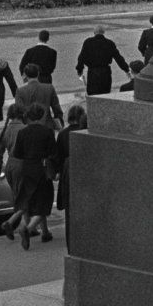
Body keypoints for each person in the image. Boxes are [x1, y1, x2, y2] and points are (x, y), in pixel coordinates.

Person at [3, 103, 58, 249]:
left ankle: (11, 220)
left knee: (26, 198)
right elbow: (53, 153)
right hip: (41, 168)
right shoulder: (47, 132)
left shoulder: (23, 133)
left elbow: (17, 153)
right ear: (41, 116)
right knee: (44, 202)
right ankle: (27, 228)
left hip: (27, 168)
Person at [53, 103, 87, 249]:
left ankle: (71, 245)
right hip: (81, 173)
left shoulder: (62, 134)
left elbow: (58, 159)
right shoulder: (83, 132)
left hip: (67, 175)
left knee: (69, 212)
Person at [75, 25, 129, 96]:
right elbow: (118, 58)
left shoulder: (88, 42)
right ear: (103, 32)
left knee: (93, 95)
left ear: (94, 32)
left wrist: (79, 70)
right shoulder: (109, 43)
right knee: (105, 94)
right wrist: (126, 69)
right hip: (105, 72)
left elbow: (81, 58)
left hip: (93, 72)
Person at [14, 62, 63, 128]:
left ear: (25, 75)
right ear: (38, 73)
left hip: (28, 126)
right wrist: (59, 122)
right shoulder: (49, 88)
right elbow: (57, 109)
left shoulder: (20, 91)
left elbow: (19, 111)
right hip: (47, 125)